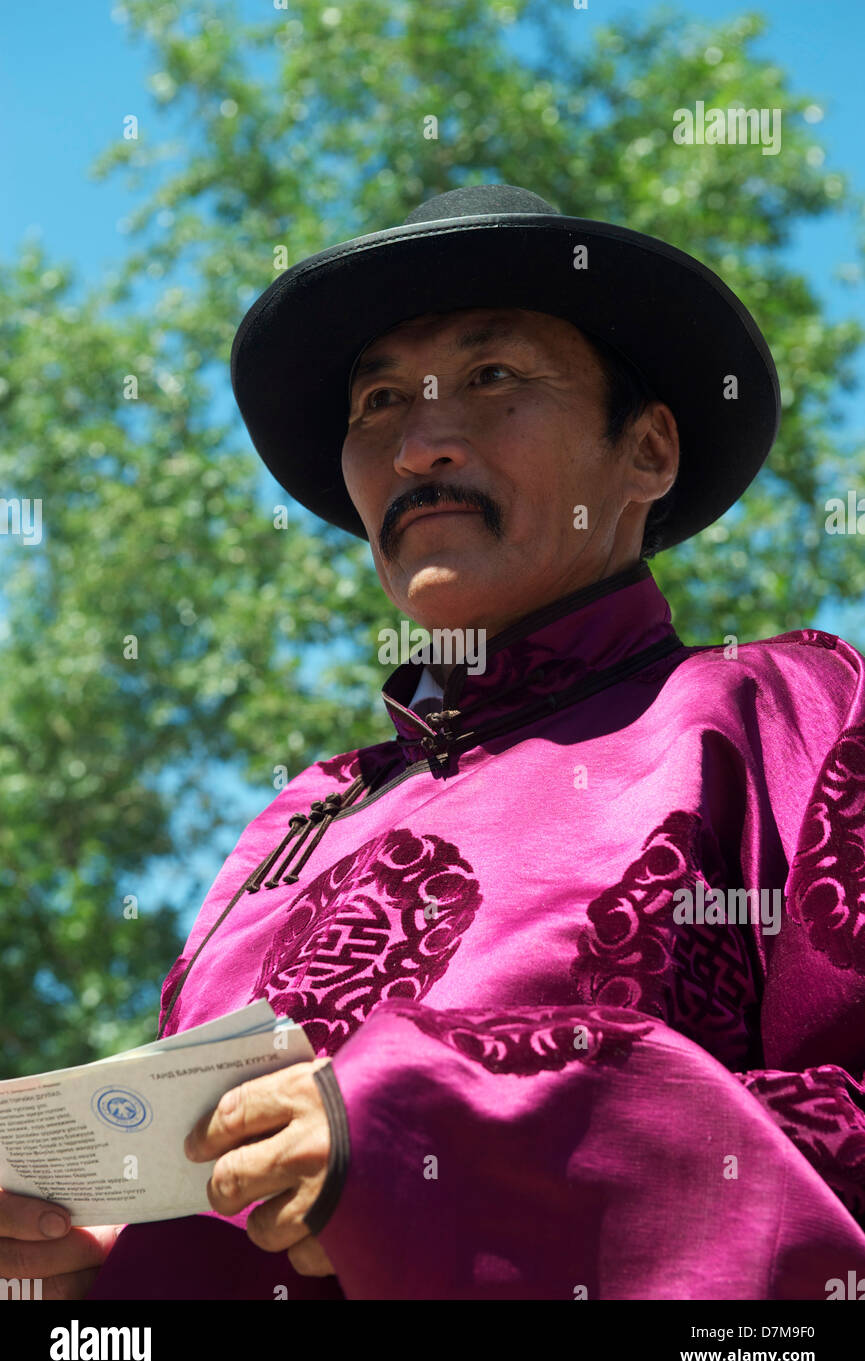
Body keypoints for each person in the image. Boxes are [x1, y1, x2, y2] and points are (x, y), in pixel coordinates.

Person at [3, 184, 864, 1301]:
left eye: (491, 377)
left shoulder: (785, 715)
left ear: (646, 450)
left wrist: (444, 1146)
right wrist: (62, 1272)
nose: (416, 445)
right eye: (374, 401)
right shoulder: (302, 814)